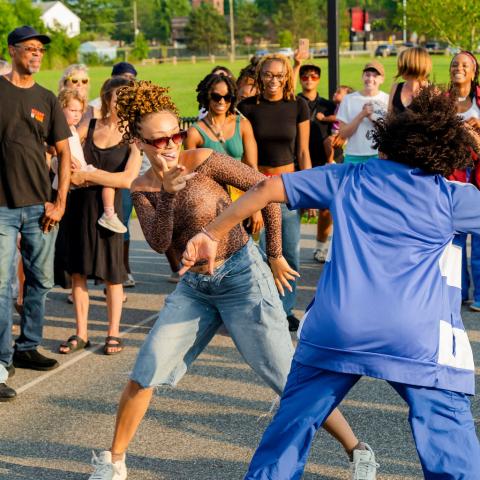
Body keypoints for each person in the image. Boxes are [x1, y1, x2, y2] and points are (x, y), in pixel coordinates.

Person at [181, 86, 480, 480]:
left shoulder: (348, 176)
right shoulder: (452, 197)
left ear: (387, 140)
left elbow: (267, 187)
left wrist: (212, 233)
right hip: (416, 337)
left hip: (338, 328)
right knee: (450, 443)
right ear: (446, 151)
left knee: (290, 429)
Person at [86, 80, 373, 480]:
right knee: (145, 370)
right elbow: (159, 242)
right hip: (196, 289)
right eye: (158, 140)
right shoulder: (142, 188)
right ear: (138, 140)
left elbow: (265, 190)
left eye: (174, 135)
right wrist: (168, 193)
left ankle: (357, 449)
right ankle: (113, 460)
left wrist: (274, 254)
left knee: (285, 376)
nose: (170, 145)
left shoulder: (203, 158)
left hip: (242, 275)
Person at [0, 25, 72, 402]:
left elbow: (64, 153)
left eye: (40, 51)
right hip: (1, 208)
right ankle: (0, 362)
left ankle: (27, 346)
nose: (36, 55)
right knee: (0, 288)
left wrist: (59, 202)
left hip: (41, 207)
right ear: (11, 51)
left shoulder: (47, 99)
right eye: (29, 49)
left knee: (41, 281)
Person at [58, 76, 141, 355]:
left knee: (113, 274)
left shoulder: (134, 136)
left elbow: (128, 179)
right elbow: (67, 150)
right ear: (107, 98)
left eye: (128, 97)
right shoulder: (89, 124)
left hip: (110, 213)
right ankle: (81, 333)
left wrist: (89, 175)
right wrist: (79, 174)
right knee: (78, 272)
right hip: (78, 207)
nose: (123, 102)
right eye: (119, 96)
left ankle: (113, 333)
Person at [238, 54, 313, 331]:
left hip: (288, 186)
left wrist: (309, 189)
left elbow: (303, 151)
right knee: (254, 252)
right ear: (260, 76)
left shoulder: (298, 105)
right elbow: (244, 153)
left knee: (288, 251)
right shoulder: (247, 107)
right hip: (256, 185)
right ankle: (259, 304)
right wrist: (250, 192)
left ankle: (285, 308)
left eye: (279, 75)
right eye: (268, 74)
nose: (273, 80)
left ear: (287, 77)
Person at [185, 73, 263, 234]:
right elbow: (190, 178)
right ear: (207, 97)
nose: (221, 101)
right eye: (216, 96)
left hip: (241, 199)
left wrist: (256, 208)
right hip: (210, 204)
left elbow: (252, 167)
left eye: (227, 97)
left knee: (248, 253)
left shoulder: (243, 125)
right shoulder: (195, 132)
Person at [447, 51, 480, 310]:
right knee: (453, 242)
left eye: (464, 64)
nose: (459, 67)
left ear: (473, 71)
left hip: (477, 178)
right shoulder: (441, 101)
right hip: (449, 180)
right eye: (454, 64)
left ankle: (479, 296)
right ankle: (457, 293)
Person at [297, 64, 337, 264]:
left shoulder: (328, 105)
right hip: (300, 158)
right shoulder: (294, 101)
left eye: (313, 76)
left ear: (319, 79)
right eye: (304, 76)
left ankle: (320, 248)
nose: (309, 80)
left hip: (323, 159)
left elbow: (337, 128)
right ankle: (291, 246)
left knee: (326, 208)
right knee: (297, 206)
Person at [337, 61, 389, 164]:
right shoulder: (348, 99)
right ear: (362, 77)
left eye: (375, 76)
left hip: (379, 156)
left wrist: (373, 118)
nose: (370, 79)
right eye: (367, 75)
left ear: (382, 79)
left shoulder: (387, 99)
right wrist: (362, 115)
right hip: (353, 157)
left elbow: (390, 132)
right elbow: (343, 134)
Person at [388, 47, 431, 114]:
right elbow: (388, 118)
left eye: (402, 64)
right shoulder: (396, 88)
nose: (399, 68)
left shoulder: (432, 92)